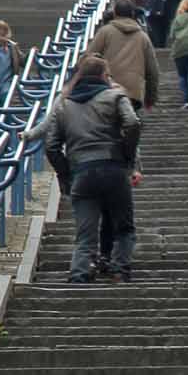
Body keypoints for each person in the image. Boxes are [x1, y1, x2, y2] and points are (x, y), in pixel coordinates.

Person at [44, 50, 142, 284]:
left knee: (85, 232)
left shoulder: (64, 106)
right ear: (102, 76)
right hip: (114, 168)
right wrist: (127, 156)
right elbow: (133, 123)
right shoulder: (116, 97)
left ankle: (79, 273)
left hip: (82, 172)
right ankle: (119, 270)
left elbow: (51, 145)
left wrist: (66, 172)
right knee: (123, 226)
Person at [92, 0, 160, 113]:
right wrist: (150, 99)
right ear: (133, 14)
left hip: (107, 88)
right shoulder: (142, 37)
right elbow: (152, 71)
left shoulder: (104, 32)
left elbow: (89, 59)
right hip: (134, 92)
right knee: (129, 124)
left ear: (115, 13)